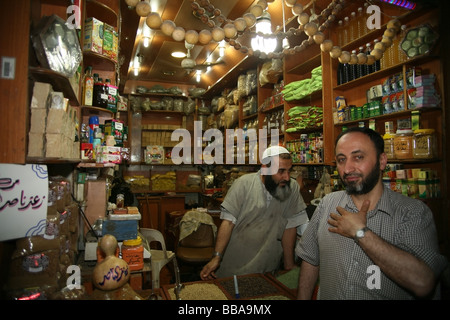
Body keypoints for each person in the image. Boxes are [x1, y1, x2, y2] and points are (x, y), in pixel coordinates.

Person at [296, 127, 448, 300]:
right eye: (341, 160)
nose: (347, 169)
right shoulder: (327, 203)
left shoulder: (412, 212)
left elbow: (423, 283)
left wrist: (360, 232)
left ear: (382, 161)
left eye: (358, 157)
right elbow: (310, 260)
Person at [200, 145, 309, 280]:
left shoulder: (291, 188)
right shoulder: (243, 184)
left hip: (268, 267)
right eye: (281, 171)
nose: (287, 177)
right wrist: (217, 257)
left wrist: (289, 264)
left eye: (288, 171)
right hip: (235, 265)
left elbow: (290, 226)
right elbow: (228, 223)